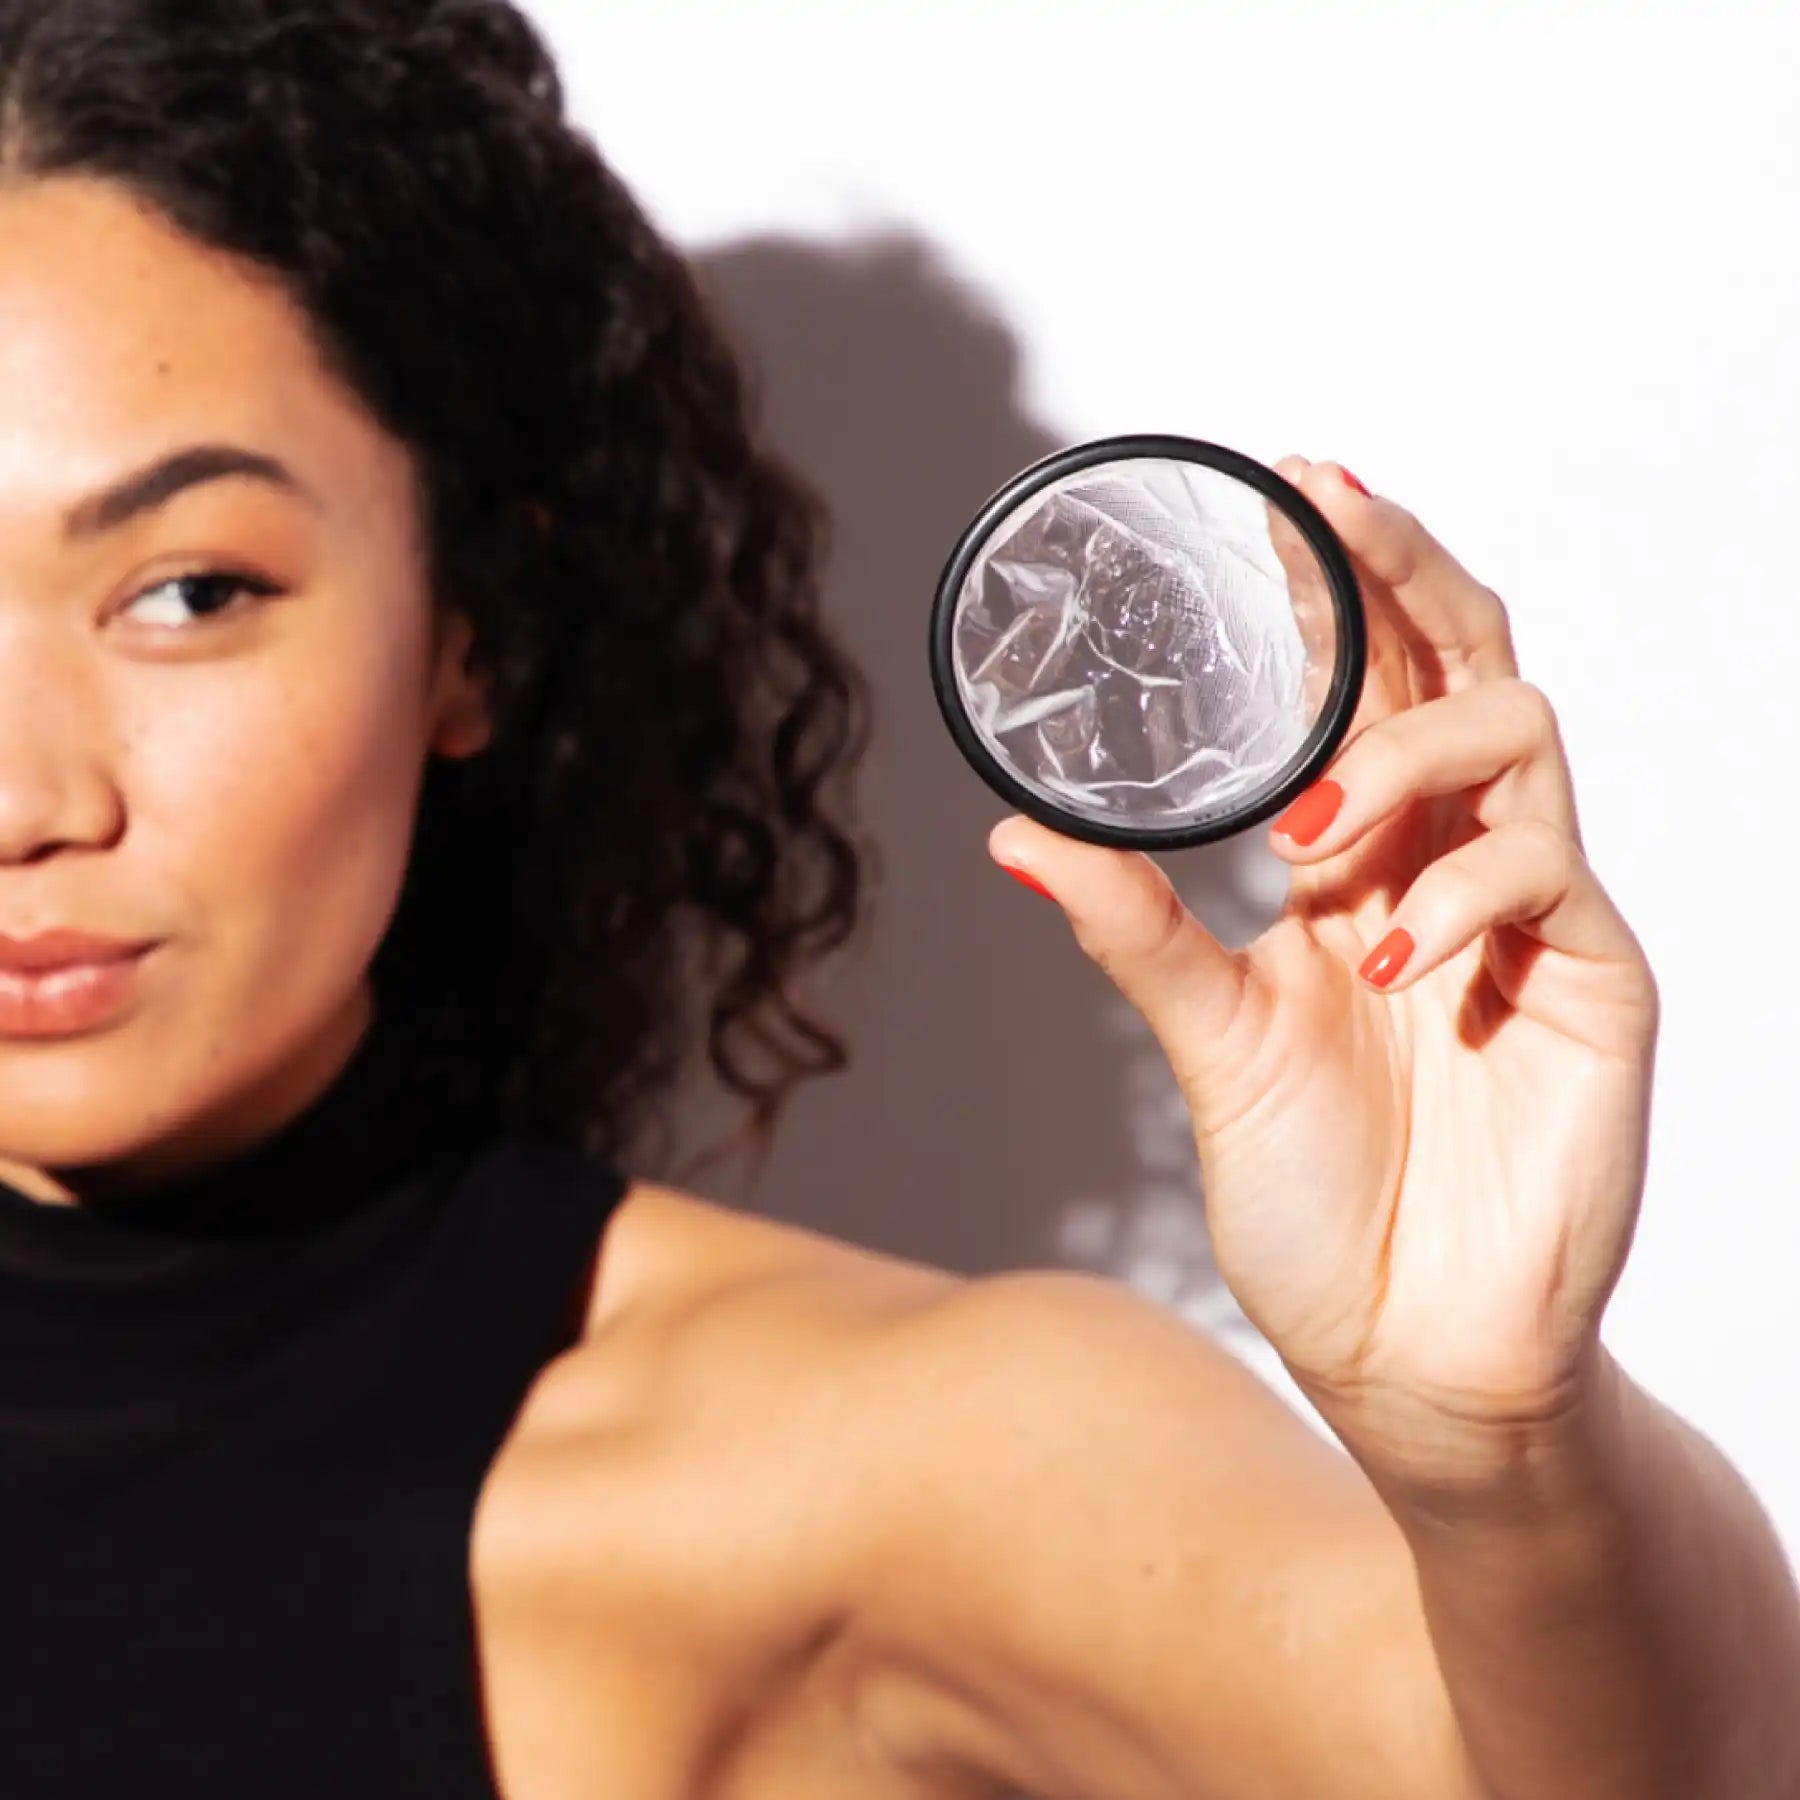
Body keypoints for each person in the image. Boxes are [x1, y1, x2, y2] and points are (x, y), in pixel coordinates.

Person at [0, 4, 1795, 1798]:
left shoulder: (835, 1468)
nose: (27, 802)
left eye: (191, 593)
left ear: (469, 628)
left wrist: (1500, 1446)